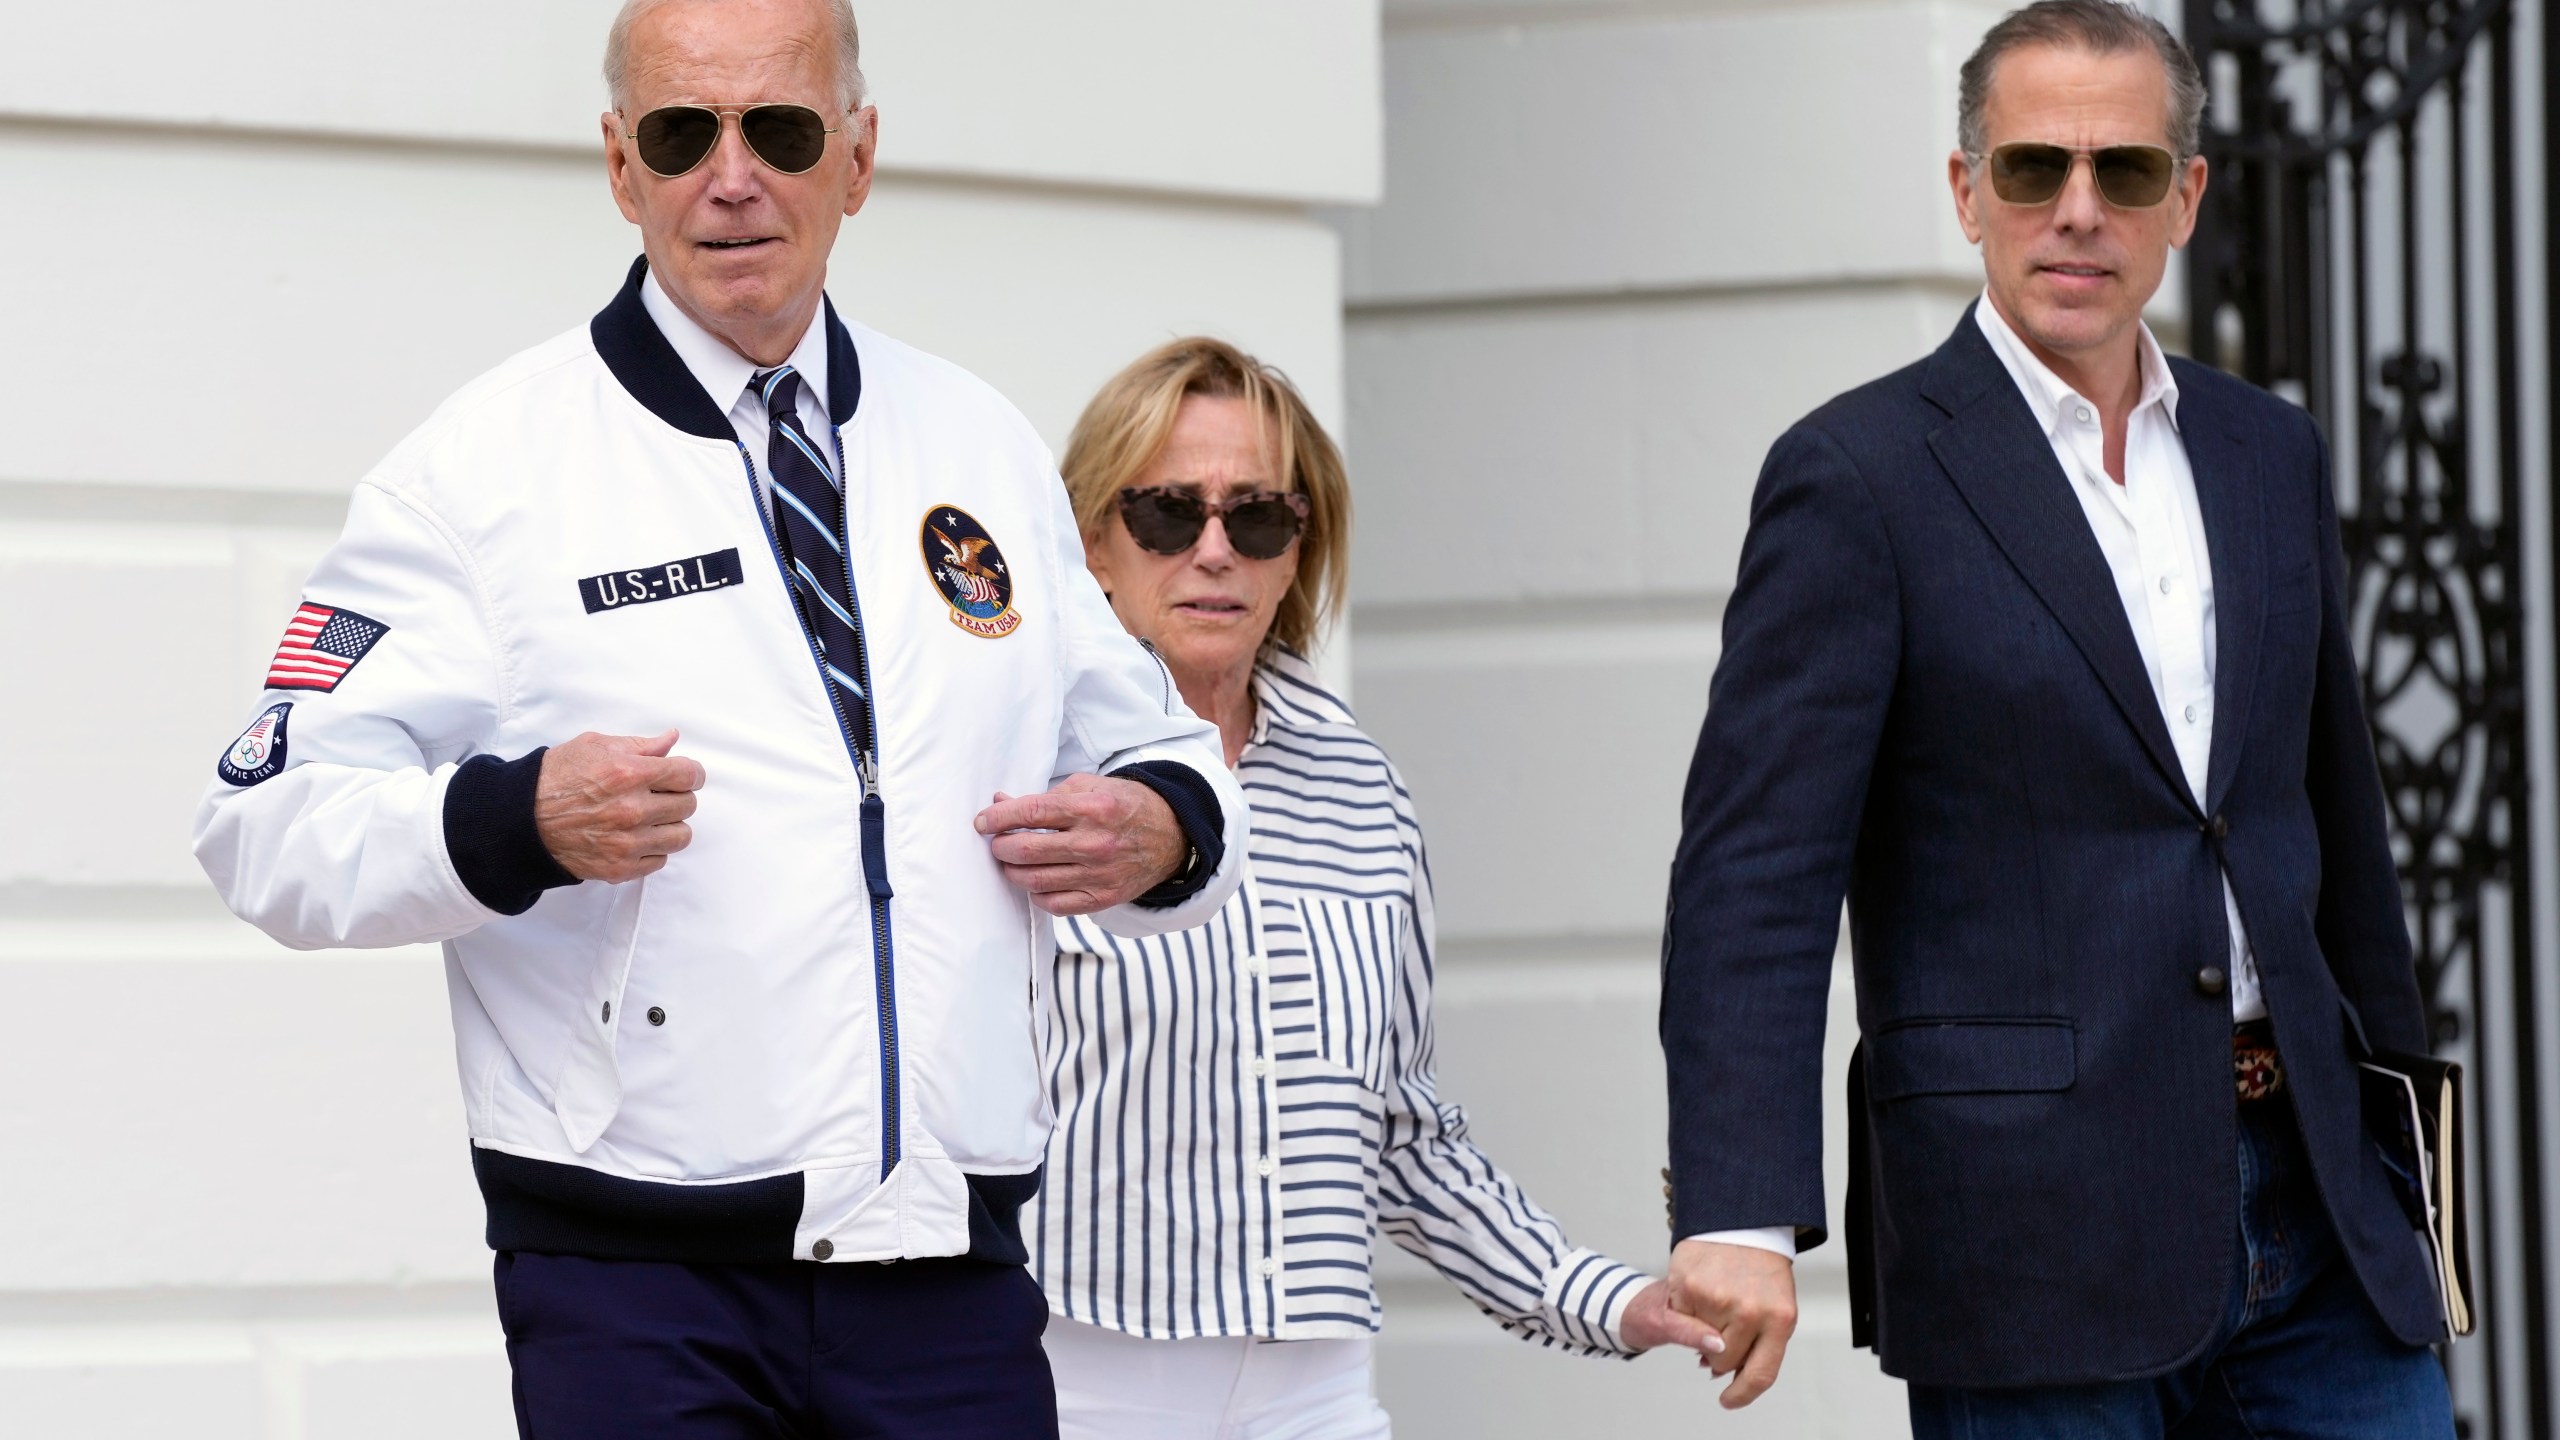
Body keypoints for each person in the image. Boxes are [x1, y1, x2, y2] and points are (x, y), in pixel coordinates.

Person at [189, 1, 1247, 1435]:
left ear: (858, 156)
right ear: (622, 167)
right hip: (638, 1290)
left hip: (947, 1268)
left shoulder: (976, 443)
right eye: (684, 135)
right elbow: (266, 825)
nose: (731, 177)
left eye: (783, 131)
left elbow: (1165, 754)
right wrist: (517, 821)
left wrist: (1163, 830)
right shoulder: (482, 476)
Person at [1656, 3, 2457, 1436]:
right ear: (1967, 193)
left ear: (2186, 201)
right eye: (2033, 169)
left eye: (2125, 172)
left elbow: (2337, 822)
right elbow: (1756, 876)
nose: (2077, 211)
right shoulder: (1859, 477)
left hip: (2323, 1209)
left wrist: (2409, 1169)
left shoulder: (2268, 451)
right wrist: (1737, 1205)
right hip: (2028, 1235)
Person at [1030, 338, 1719, 1439]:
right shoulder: (1027, 769)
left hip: (1316, 1385)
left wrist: (1606, 1298)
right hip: (1073, 1369)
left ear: (1300, 547)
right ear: (1091, 544)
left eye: (1256, 517)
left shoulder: (1361, 788)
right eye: (1167, 513)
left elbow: (1399, 1133)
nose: (1214, 552)